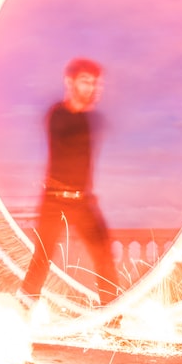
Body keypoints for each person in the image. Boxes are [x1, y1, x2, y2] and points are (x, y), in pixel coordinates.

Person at [19, 57, 120, 311]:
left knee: (104, 253)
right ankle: (21, 312)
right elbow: (68, 132)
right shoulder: (57, 115)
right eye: (85, 81)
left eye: (96, 83)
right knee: (41, 259)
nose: (92, 88)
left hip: (83, 200)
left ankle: (112, 316)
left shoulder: (90, 119)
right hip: (54, 200)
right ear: (70, 82)